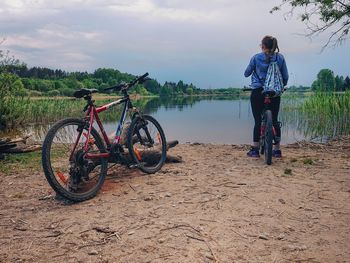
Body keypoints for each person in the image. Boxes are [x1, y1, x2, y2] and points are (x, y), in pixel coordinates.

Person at [244, 35, 289, 158]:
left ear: (263, 46)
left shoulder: (256, 58)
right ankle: (277, 150)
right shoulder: (280, 58)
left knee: (258, 121)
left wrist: (254, 69)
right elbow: (285, 77)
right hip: (274, 92)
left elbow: (246, 73)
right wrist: (281, 87)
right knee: (274, 120)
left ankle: (254, 150)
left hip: (258, 91)